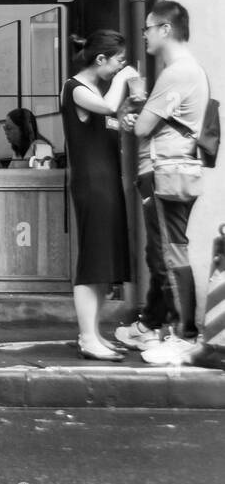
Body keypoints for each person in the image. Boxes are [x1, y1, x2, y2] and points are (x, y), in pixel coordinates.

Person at [118, 1, 210, 364]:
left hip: (164, 171)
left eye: (148, 28)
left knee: (168, 254)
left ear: (166, 29)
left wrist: (135, 116)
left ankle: (182, 334)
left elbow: (143, 127)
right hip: (172, 169)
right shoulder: (187, 70)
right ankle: (152, 325)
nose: (144, 34)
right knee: (161, 251)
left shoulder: (178, 73)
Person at [60, 30, 142, 361]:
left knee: (103, 263)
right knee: (91, 262)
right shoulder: (75, 88)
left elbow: (109, 119)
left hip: (106, 181)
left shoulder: (94, 89)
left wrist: (124, 119)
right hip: (92, 184)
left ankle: (94, 335)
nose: (121, 67)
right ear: (101, 59)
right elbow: (108, 106)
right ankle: (87, 337)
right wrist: (126, 78)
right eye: (118, 61)